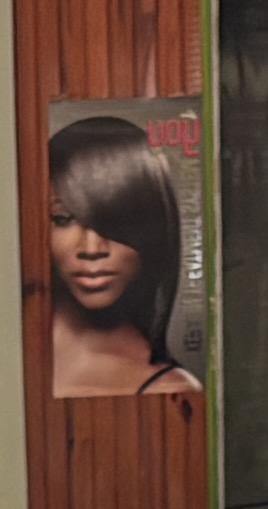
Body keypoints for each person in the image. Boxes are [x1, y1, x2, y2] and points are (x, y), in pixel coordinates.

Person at [43, 108, 205, 403]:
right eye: (64, 219)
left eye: (117, 222)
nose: (92, 249)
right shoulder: (5, 346)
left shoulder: (166, 386)